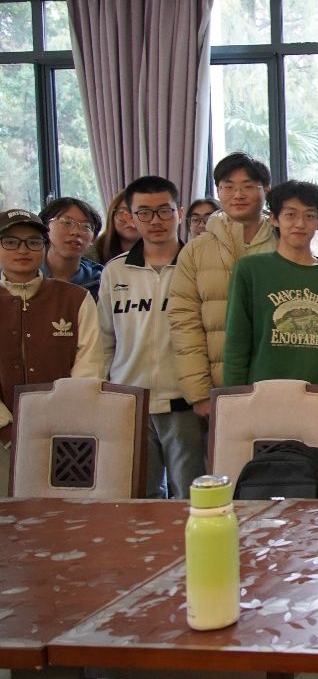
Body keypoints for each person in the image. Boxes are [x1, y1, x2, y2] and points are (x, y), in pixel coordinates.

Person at [222, 180, 318, 434]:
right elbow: (236, 343)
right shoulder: (250, 270)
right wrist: (233, 400)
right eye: (290, 215)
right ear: (274, 219)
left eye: (309, 216)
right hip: (264, 396)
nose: (300, 223)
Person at [97, 176, 205, 499]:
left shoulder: (199, 267)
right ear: (130, 217)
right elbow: (103, 339)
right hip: (130, 401)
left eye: (164, 211)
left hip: (185, 403)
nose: (155, 221)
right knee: (138, 498)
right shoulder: (115, 271)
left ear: (180, 213)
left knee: (191, 496)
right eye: (144, 212)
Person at [169, 152, 277, 420]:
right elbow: (184, 322)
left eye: (248, 186)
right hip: (219, 387)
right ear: (218, 191)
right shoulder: (196, 251)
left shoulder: (284, 244)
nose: (237, 194)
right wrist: (199, 392)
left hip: (276, 381)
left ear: (266, 190)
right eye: (228, 187)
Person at [0, 209, 101, 494]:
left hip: (65, 431)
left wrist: (59, 419)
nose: (23, 250)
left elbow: (90, 365)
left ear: (45, 247)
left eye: (33, 242)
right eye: (11, 242)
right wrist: (7, 428)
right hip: (1, 435)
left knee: (64, 509)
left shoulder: (75, 298)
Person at [38, 197, 104, 298]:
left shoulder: (101, 280)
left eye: (86, 226)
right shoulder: (26, 274)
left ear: (93, 239)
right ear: (45, 228)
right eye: (66, 222)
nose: (75, 232)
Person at [89, 190, 141, 265]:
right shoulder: (91, 255)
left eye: (141, 213)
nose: (131, 220)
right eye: (123, 212)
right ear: (112, 215)